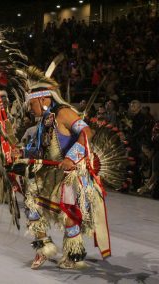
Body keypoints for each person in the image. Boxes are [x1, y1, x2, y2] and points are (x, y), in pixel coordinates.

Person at [17, 66, 113, 269]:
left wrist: (71, 157)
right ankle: (43, 248)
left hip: (69, 175)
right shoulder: (45, 119)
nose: (30, 108)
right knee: (31, 204)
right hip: (49, 173)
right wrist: (22, 153)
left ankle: (73, 254)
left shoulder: (63, 113)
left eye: (32, 103)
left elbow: (87, 132)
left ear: (44, 99)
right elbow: (40, 148)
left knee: (69, 215)